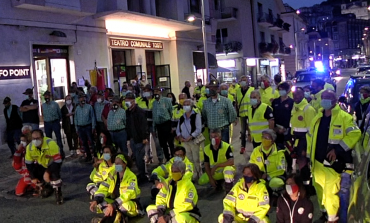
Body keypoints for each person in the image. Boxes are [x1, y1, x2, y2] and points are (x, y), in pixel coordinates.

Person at [306, 90, 361, 223]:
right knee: (319, 191)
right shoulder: (317, 117)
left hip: (331, 164)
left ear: (335, 100)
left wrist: (338, 149)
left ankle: (332, 218)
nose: (325, 100)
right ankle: (324, 214)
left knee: (330, 194)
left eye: (328, 97)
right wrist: (309, 157)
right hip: (317, 163)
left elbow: (355, 134)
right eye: (323, 97)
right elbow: (310, 138)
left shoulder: (344, 117)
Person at [90, 154, 143, 223]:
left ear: (125, 164)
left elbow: (128, 194)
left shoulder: (131, 176)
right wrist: (96, 200)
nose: (116, 165)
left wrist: (114, 204)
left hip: (130, 203)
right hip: (115, 202)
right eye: (115, 163)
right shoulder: (113, 174)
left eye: (118, 163)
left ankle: (108, 220)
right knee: (100, 202)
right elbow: (104, 187)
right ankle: (114, 218)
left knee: (122, 206)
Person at [25, 129, 63, 204]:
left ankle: (58, 194)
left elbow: (57, 161)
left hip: (53, 162)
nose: (35, 141)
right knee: (35, 173)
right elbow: (29, 164)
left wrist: (48, 172)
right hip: (41, 163)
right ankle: (45, 188)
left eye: (37, 138)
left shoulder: (50, 144)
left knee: (55, 176)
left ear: (42, 137)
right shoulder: (29, 147)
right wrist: (33, 177)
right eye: (33, 139)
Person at [290, 87, 317, 188]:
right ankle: (302, 182)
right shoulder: (295, 106)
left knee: (304, 163)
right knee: (298, 162)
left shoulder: (308, 109)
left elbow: (311, 130)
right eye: (294, 95)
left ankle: (307, 186)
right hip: (296, 139)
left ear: (303, 95)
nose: (296, 97)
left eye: (298, 94)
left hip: (304, 140)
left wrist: (307, 147)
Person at [249, 129, 287, 195]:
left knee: (276, 183)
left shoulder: (279, 152)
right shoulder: (256, 151)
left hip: (275, 177)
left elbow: (281, 170)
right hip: (259, 177)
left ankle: (276, 195)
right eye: (263, 137)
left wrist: (268, 176)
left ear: (272, 140)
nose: (264, 139)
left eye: (266, 138)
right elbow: (251, 165)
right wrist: (258, 175)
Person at [198, 128, 235, 193]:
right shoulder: (207, 149)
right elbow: (206, 164)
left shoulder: (226, 146)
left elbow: (231, 161)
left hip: (223, 172)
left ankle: (228, 189)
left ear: (220, 137)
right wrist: (210, 178)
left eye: (215, 136)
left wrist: (217, 166)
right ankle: (216, 183)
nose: (213, 139)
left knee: (228, 171)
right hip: (213, 173)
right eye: (211, 136)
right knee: (201, 181)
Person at [125, 93, 150, 183]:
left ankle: (143, 175)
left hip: (140, 138)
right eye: (126, 100)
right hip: (132, 138)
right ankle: (141, 173)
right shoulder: (128, 112)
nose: (126, 102)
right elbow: (128, 125)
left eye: (128, 100)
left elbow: (144, 126)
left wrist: (144, 137)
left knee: (140, 158)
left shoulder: (140, 112)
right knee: (136, 157)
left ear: (133, 101)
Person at [176, 99, 202, 181]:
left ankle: (199, 173)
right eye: (184, 104)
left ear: (191, 106)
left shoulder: (196, 115)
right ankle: (193, 174)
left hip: (193, 140)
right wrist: (179, 136)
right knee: (189, 159)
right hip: (184, 141)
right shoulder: (182, 117)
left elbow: (198, 129)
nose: (186, 106)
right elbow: (178, 129)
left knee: (196, 158)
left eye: (187, 104)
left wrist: (191, 136)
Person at [136, 84, 163, 163]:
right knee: (145, 142)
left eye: (148, 90)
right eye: (144, 91)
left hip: (154, 124)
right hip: (143, 125)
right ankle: (147, 157)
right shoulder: (139, 100)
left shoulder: (156, 100)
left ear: (151, 92)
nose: (146, 92)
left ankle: (160, 158)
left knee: (157, 142)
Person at [152, 87, 174, 161]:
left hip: (166, 123)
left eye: (157, 91)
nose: (156, 93)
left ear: (160, 92)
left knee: (170, 142)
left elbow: (171, 112)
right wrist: (154, 128)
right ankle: (167, 158)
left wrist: (171, 126)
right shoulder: (154, 103)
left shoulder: (166, 100)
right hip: (159, 125)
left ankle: (173, 157)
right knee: (163, 143)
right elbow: (154, 116)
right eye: (155, 91)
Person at [13, 125, 35, 196]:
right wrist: (18, 150)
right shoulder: (22, 148)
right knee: (19, 192)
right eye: (21, 140)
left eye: (23, 140)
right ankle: (29, 184)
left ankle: (35, 184)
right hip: (26, 172)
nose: (22, 142)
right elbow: (16, 161)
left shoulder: (33, 146)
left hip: (35, 171)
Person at [236, 76, 255, 154]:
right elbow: (237, 102)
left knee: (252, 130)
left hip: (250, 113)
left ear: (248, 82)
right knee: (243, 132)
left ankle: (255, 148)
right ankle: (243, 147)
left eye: (244, 80)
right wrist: (237, 114)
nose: (243, 82)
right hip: (242, 114)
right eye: (242, 80)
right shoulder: (238, 91)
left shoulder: (252, 90)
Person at [42, 91, 64, 158]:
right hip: (47, 123)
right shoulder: (43, 105)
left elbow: (59, 113)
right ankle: (51, 153)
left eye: (48, 96)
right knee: (48, 139)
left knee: (58, 138)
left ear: (50, 96)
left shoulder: (55, 104)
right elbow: (43, 114)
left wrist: (59, 120)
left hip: (55, 122)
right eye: (45, 96)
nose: (47, 97)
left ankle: (61, 152)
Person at [74, 93, 96, 162]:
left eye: (83, 98)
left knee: (92, 142)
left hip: (88, 126)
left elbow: (92, 117)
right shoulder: (77, 108)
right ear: (78, 99)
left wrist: (93, 127)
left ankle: (95, 156)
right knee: (84, 142)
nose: (82, 99)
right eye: (81, 98)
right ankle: (88, 156)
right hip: (80, 127)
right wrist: (76, 128)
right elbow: (76, 118)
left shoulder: (89, 107)